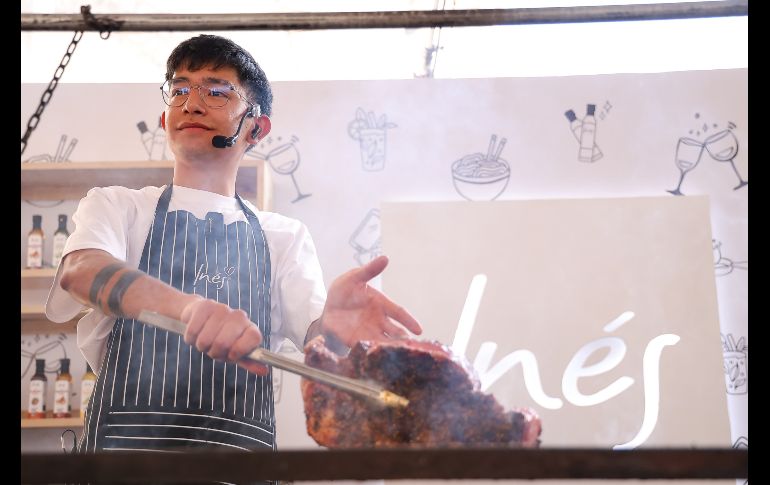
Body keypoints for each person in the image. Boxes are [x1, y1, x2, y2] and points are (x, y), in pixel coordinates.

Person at [45, 34, 422, 469]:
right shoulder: (119, 206)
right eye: (180, 90)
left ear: (256, 129)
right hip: (121, 466)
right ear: (165, 120)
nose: (192, 103)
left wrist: (334, 329)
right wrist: (188, 309)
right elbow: (81, 270)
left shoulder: (283, 236)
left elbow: (317, 338)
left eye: (217, 92)